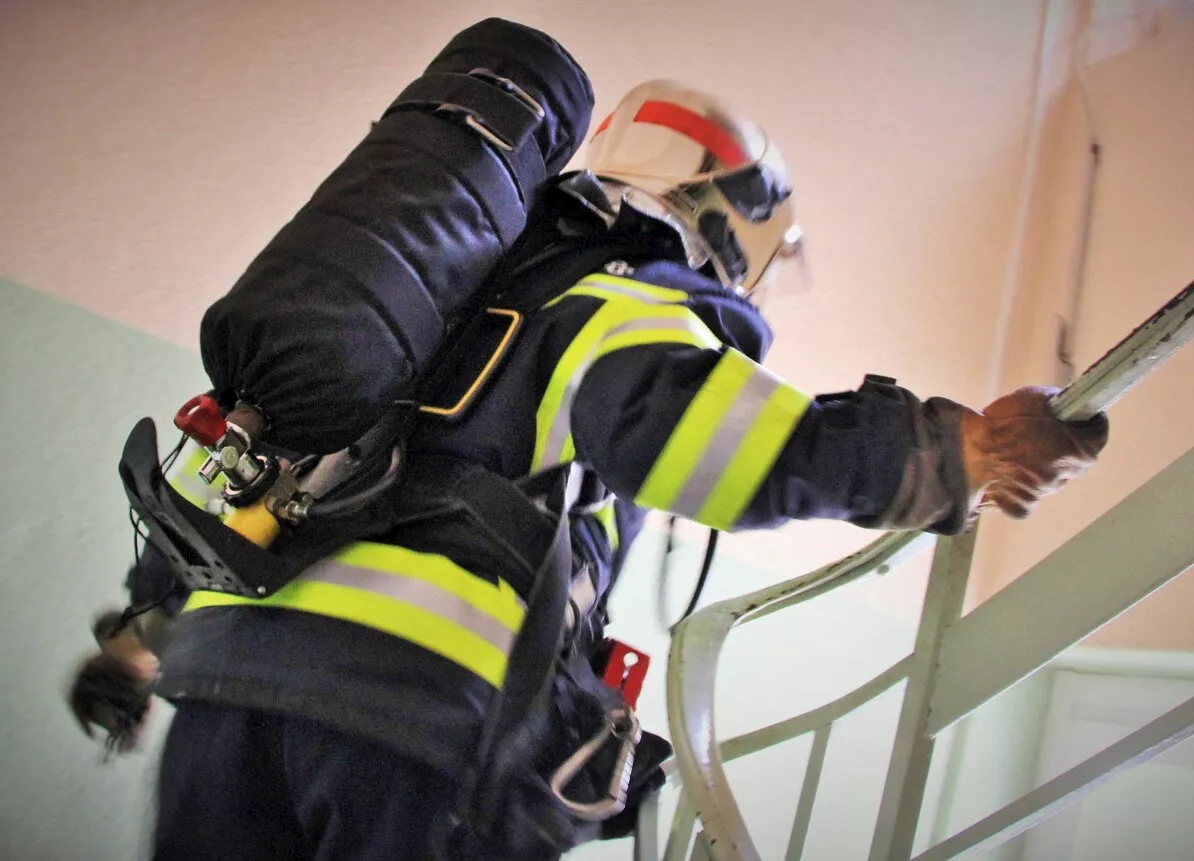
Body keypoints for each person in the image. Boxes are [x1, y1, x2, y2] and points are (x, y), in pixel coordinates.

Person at [73, 41, 1109, 861]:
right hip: (413, 719)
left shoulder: (412, 307)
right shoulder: (621, 297)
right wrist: (947, 450)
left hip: (224, 689)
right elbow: (702, 443)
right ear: (723, 218)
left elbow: (253, 478)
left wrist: (138, 636)